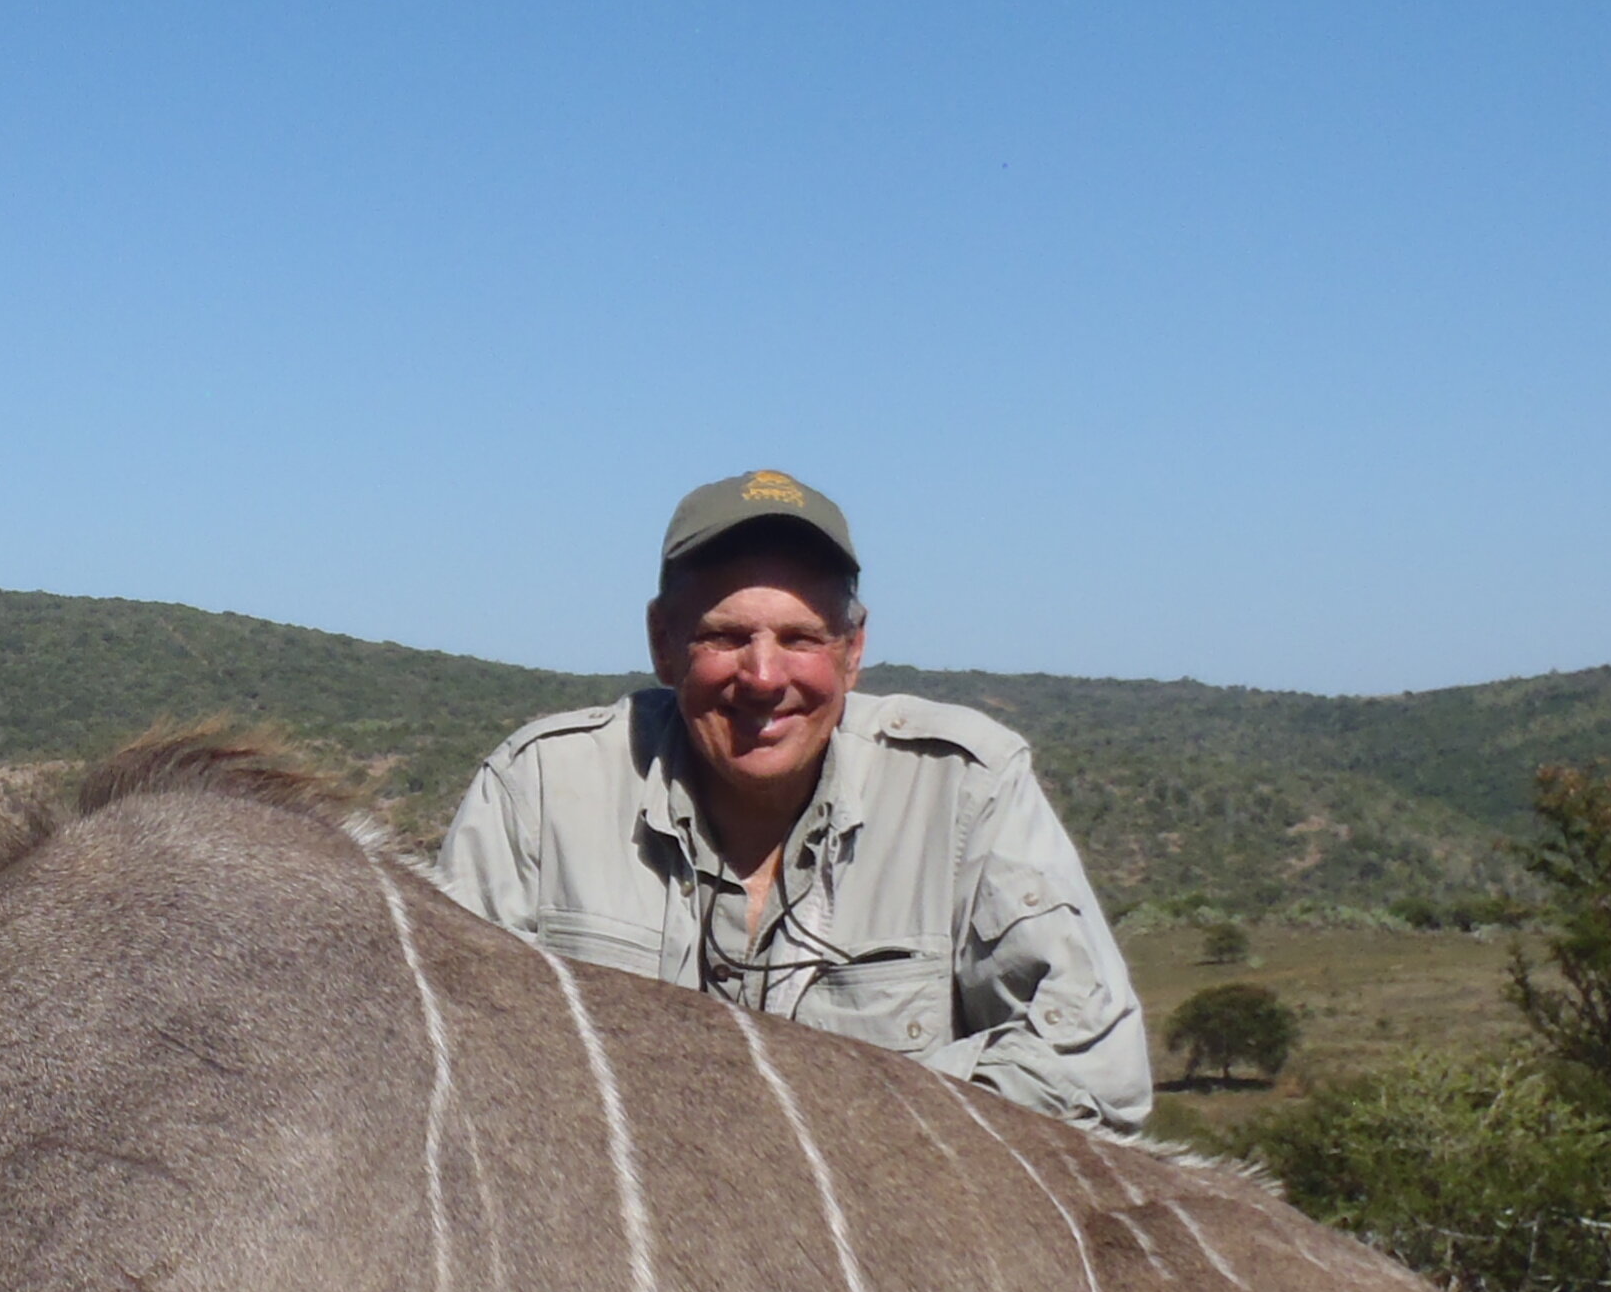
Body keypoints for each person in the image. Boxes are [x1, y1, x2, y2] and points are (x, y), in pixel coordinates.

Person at [432, 468, 1154, 1134]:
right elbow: (447, 1057)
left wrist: (792, 1140)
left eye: (801, 638)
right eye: (725, 636)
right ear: (662, 642)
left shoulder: (964, 784)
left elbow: (1098, 1070)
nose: (764, 676)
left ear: (854, 650)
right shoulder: (540, 787)